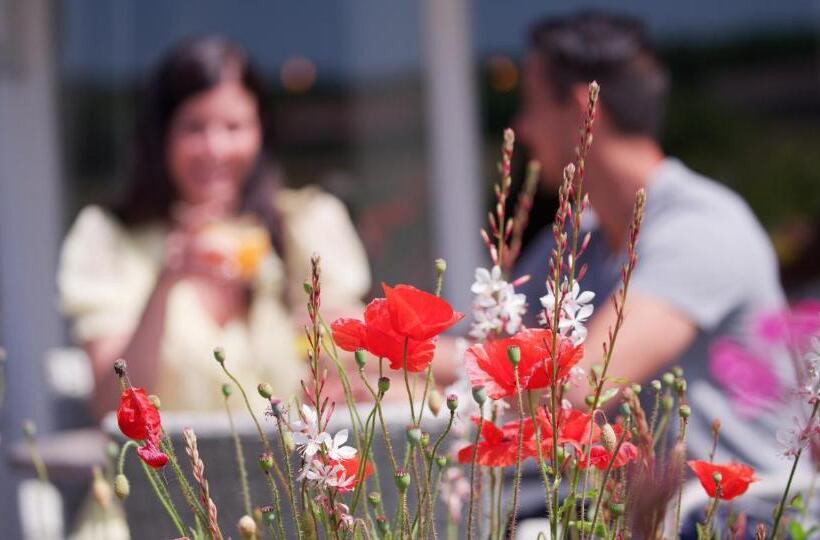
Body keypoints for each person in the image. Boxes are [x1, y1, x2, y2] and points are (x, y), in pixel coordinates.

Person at [513, 11, 790, 474]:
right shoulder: (579, 235)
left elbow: (585, 384)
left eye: (531, 104)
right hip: (636, 513)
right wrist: (373, 370)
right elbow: (486, 342)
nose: (521, 127)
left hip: (738, 517)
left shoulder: (703, 227)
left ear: (584, 108)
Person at [57, 37, 370, 416]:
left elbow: (353, 369)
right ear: (161, 135)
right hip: (167, 474)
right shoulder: (108, 238)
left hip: (289, 468)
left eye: (234, 126)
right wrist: (165, 283)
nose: (216, 148)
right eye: (194, 127)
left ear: (261, 132)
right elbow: (110, 405)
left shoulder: (303, 224)